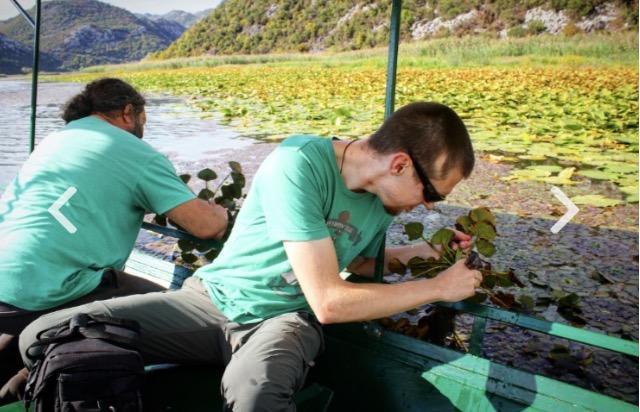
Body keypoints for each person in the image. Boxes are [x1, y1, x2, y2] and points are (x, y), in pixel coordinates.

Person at [19, 101, 481, 411]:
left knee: (255, 394)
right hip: (210, 299)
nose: (428, 207)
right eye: (432, 194)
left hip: (284, 320)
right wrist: (439, 289)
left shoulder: (383, 200)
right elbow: (331, 300)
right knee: (46, 333)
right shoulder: (300, 161)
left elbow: (349, 264)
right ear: (400, 164)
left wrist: (425, 251)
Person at [0, 78, 228, 404]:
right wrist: (220, 214)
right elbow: (205, 226)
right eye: (143, 122)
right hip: (51, 287)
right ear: (127, 112)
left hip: (6, 278)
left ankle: (23, 374)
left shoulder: (57, 139)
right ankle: (37, 379)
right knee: (177, 313)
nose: (142, 132)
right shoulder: (135, 152)